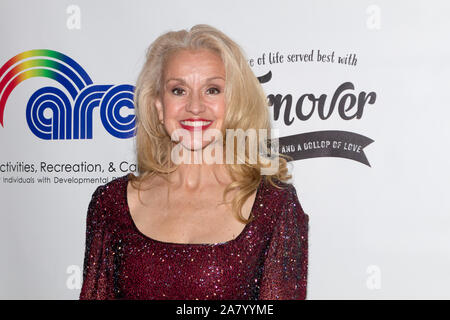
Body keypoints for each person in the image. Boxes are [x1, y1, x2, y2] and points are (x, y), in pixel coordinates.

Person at [79, 24, 309, 300]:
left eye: (212, 90)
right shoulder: (111, 204)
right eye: (178, 90)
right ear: (159, 106)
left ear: (234, 102)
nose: (195, 106)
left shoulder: (273, 205)